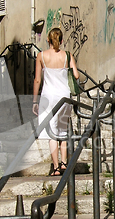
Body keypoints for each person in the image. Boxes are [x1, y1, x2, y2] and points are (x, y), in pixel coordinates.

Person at [33, 28, 80, 176]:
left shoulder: (41, 56)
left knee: (51, 133)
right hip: (64, 96)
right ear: (61, 40)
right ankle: (65, 163)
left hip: (49, 97)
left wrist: (35, 101)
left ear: (48, 40)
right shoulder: (67, 55)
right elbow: (77, 76)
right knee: (63, 130)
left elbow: (37, 80)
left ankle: (56, 166)